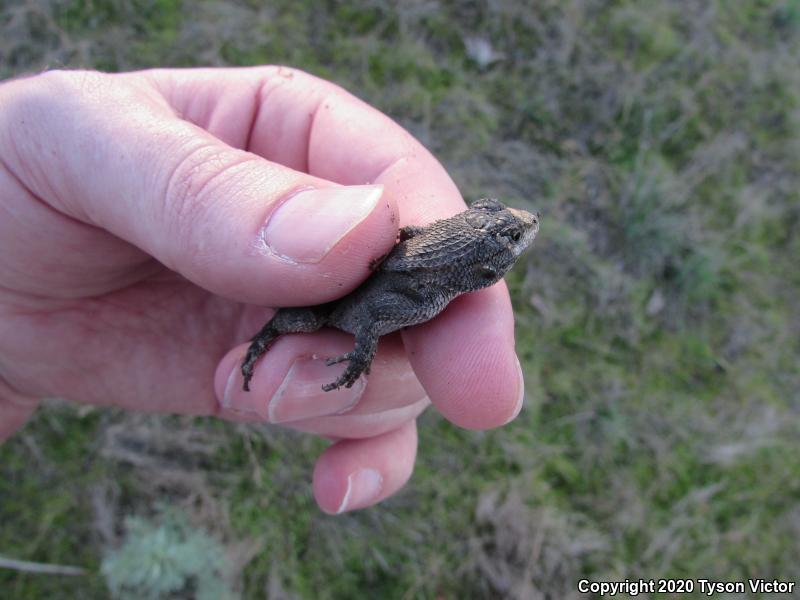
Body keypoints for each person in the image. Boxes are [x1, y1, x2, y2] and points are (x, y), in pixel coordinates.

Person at [0, 67, 524, 513]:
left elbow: (397, 269)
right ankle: (265, 341)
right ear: (483, 268)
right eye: (512, 232)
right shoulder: (425, 292)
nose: (525, 224)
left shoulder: (438, 282)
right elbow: (371, 318)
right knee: (305, 323)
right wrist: (361, 358)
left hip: (342, 285)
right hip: (325, 298)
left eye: (513, 233)